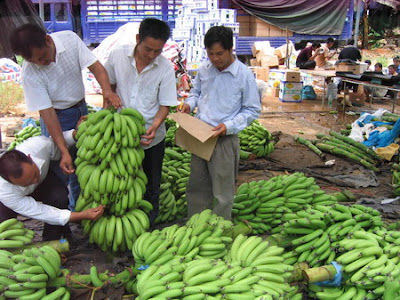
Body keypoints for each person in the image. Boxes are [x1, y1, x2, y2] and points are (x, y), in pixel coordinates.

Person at [9, 24, 122, 210]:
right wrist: (63, 150)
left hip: (81, 108)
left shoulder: (69, 39)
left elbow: (96, 67)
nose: (41, 63)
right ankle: (63, 218)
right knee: (62, 170)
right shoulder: (30, 71)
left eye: (42, 57)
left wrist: (107, 91)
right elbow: (47, 113)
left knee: (85, 163)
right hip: (57, 117)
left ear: (47, 40)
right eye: (35, 61)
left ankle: (80, 209)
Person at [179, 26, 261, 220]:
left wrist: (229, 126)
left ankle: (219, 230)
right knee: (197, 186)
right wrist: (189, 105)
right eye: (210, 53)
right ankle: (196, 226)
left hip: (224, 140)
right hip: (200, 135)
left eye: (219, 53)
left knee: (223, 193)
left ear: (230, 50)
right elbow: (196, 93)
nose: (215, 59)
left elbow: (252, 110)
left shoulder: (243, 75)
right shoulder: (205, 70)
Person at [103, 18, 177, 224]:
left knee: (152, 184)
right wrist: (106, 110)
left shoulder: (165, 68)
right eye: (148, 49)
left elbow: (166, 104)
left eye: (158, 51)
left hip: (151, 137)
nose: (152, 55)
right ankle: (121, 220)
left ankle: (148, 224)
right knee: (121, 180)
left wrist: (155, 125)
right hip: (120, 135)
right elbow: (108, 84)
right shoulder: (118, 55)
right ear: (138, 39)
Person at [0, 128, 104, 241]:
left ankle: (53, 242)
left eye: (34, 174)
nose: (34, 182)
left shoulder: (38, 146)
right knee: (3, 222)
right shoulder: (5, 192)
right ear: (11, 182)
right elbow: (41, 212)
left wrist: (75, 134)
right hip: (11, 199)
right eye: (27, 183)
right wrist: (81, 215)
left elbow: (58, 143)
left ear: (30, 158)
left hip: (44, 179)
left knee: (59, 198)